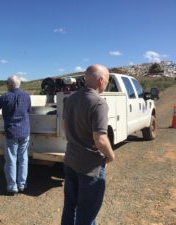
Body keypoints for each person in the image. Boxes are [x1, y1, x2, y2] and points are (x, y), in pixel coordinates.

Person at [61, 64, 115, 225]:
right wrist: (111, 156)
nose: (106, 83)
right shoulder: (98, 103)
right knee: (87, 213)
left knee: (69, 206)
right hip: (90, 167)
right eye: (107, 80)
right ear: (100, 80)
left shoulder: (71, 98)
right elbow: (100, 139)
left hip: (70, 160)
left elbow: (65, 127)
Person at [0, 75, 31, 195]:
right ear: (19, 84)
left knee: (11, 159)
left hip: (11, 132)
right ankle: (22, 185)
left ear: (9, 85)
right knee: (23, 159)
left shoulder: (4, 97)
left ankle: (12, 187)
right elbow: (28, 111)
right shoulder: (27, 96)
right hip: (24, 131)